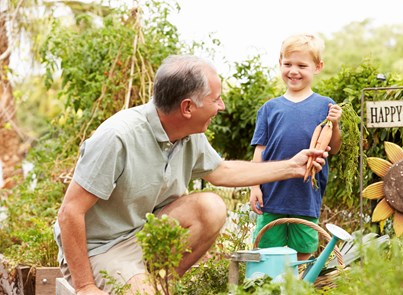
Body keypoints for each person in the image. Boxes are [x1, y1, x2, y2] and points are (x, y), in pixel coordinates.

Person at [54, 54, 330, 294]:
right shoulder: (117, 137)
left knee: (210, 207)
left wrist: (292, 167)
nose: (221, 107)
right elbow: (70, 212)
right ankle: (139, 285)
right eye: (216, 99)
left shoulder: (189, 134)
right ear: (187, 107)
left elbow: (222, 171)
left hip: (145, 234)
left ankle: (159, 285)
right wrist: (85, 286)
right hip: (103, 248)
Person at [249, 34, 342, 261]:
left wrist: (336, 124)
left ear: (318, 67)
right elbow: (259, 151)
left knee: (304, 251)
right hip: (272, 194)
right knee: (267, 252)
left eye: (302, 65)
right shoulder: (270, 109)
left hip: (306, 195)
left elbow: (335, 148)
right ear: (279, 63)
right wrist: (254, 187)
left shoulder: (325, 105)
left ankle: (297, 285)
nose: (294, 71)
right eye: (288, 64)